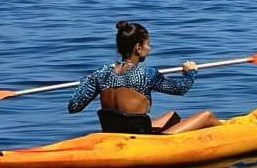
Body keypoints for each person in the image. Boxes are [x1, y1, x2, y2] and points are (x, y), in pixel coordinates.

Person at [68, 21, 219, 134]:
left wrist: (86, 82)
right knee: (207, 115)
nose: (150, 48)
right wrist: (190, 73)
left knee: (171, 116)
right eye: (148, 44)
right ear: (138, 48)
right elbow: (180, 89)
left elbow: (74, 107)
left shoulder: (100, 74)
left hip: (114, 135)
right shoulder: (146, 74)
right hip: (141, 140)